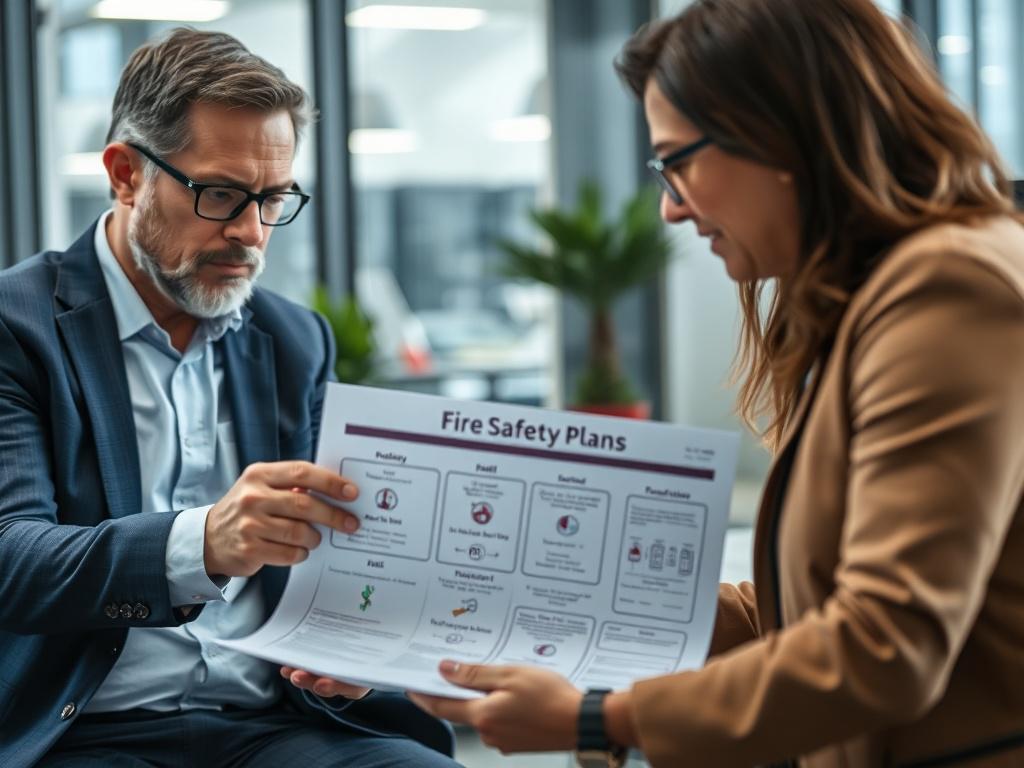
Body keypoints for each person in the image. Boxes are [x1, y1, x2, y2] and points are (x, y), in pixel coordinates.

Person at [408, 1, 1024, 766]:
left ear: (779, 132)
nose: (671, 207)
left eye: (678, 161)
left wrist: (602, 717)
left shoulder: (948, 286)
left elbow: (884, 642)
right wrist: (571, 621)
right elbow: (806, 602)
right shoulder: (878, 293)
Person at [0, 28, 457, 768]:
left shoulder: (294, 339)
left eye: (273, 198)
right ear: (125, 174)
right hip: (82, 729)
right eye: (220, 195)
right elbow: (12, 560)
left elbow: (332, 560)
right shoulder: (16, 327)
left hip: (274, 719)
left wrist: (353, 648)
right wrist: (201, 542)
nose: (250, 232)